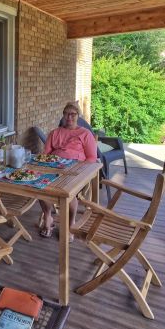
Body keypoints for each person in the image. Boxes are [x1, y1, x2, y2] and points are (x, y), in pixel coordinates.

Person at [39, 101, 97, 240]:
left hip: (75, 171)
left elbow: (91, 157)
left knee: (68, 193)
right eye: (66, 114)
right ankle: (48, 217)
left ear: (78, 116)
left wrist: (78, 169)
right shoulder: (55, 133)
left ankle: (70, 224)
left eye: (73, 114)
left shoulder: (85, 134)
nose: (69, 117)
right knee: (39, 186)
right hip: (54, 169)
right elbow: (45, 155)